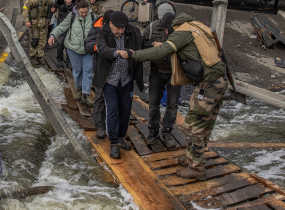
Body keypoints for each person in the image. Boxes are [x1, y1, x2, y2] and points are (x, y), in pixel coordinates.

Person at [130, 12, 228, 180]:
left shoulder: (182, 33)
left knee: (193, 126)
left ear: (171, 28)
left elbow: (161, 52)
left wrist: (134, 55)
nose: (168, 34)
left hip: (208, 84)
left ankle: (196, 168)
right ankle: (194, 158)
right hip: (220, 81)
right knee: (205, 126)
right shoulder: (196, 25)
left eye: (168, 31)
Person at [96, 11, 150, 159]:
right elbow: (103, 50)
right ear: (111, 24)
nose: (121, 31)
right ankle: (113, 143)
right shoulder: (102, 32)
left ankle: (120, 137)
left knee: (125, 111)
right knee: (112, 110)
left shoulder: (132, 30)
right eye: (118, 28)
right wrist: (118, 52)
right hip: (110, 80)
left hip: (126, 79)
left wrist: (154, 44)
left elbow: (143, 42)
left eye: (123, 28)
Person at [145, 11, 182, 148]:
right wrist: (153, 47)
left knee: (172, 105)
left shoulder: (179, 30)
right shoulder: (152, 27)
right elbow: (144, 43)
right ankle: (153, 131)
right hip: (156, 70)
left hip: (174, 72)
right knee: (153, 102)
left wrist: (163, 47)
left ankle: (166, 132)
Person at [48, 0, 94, 105]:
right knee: (77, 70)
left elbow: (98, 29)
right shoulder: (72, 16)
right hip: (73, 49)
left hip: (88, 49)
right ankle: (78, 90)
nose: (84, 14)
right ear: (77, 10)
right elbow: (61, 27)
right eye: (82, 12)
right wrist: (52, 35)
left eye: (85, 12)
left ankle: (85, 95)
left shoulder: (92, 16)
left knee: (88, 71)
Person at [85, 9, 114, 139]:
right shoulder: (97, 27)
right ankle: (100, 126)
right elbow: (89, 44)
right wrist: (98, 48)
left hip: (115, 67)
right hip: (100, 66)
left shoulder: (119, 28)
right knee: (100, 95)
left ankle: (112, 125)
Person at [22, 0, 54, 65]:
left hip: (44, 24)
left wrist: (52, 12)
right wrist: (27, 21)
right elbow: (25, 9)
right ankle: (32, 56)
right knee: (34, 40)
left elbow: (53, 6)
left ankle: (40, 56)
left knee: (42, 41)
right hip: (34, 24)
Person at [52, 0, 75, 68]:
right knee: (60, 44)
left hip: (70, 28)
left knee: (69, 46)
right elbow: (52, 6)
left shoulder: (74, 7)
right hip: (61, 28)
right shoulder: (60, 5)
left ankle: (69, 62)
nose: (69, 1)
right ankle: (60, 59)